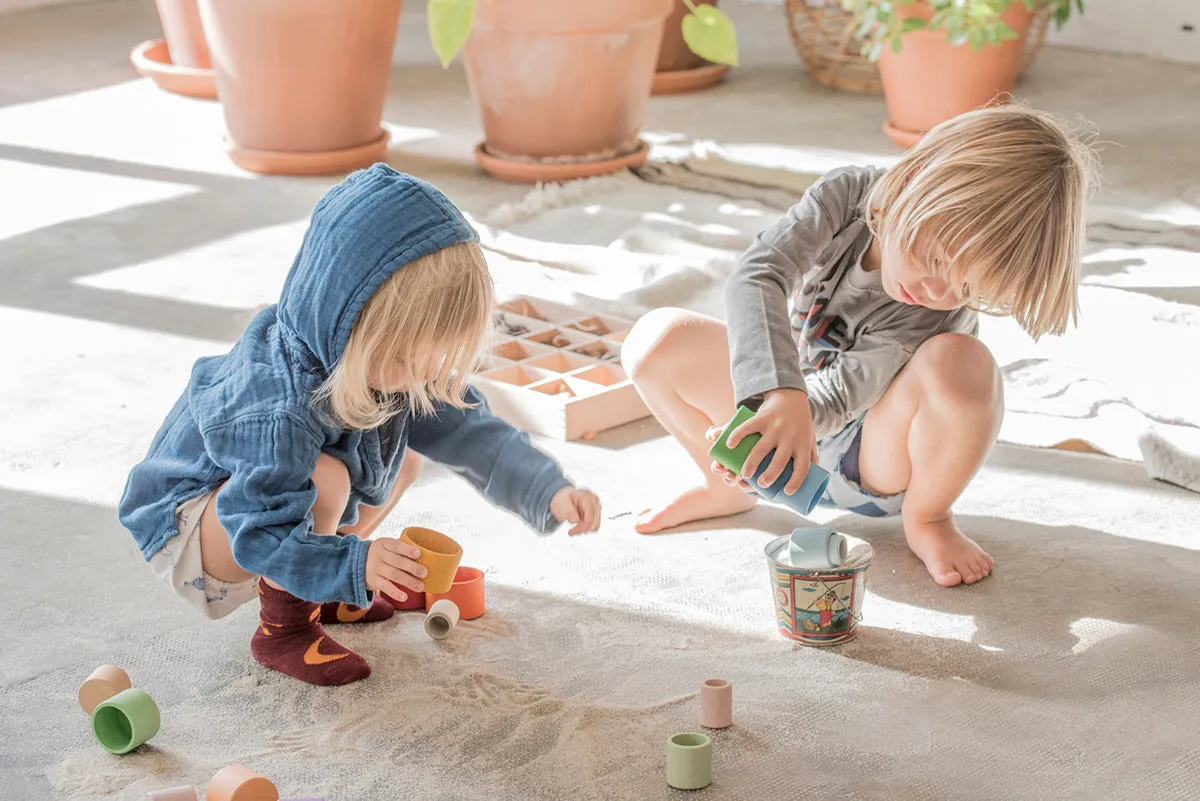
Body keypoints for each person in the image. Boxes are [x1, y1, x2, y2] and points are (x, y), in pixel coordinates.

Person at [119, 165, 601, 685]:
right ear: (352, 328)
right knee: (329, 478)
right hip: (196, 536)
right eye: (407, 359)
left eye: (432, 359)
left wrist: (546, 489)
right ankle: (283, 628)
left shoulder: (380, 364)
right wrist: (355, 565)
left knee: (404, 459)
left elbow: (467, 429)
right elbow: (258, 534)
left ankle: (321, 582)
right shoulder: (274, 406)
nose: (420, 376)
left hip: (259, 513)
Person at [622, 105, 1096, 587]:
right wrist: (770, 402)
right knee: (655, 340)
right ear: (909, 179)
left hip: (871, 459)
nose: (938, 293)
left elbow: (844, 396)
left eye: (968, 288)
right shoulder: (845, 195)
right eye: (932, 257)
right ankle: (721, 487)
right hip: (793, 409)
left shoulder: (934, 312)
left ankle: (928, 517)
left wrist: (785, 416)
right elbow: (759, 273)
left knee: (961, 362)